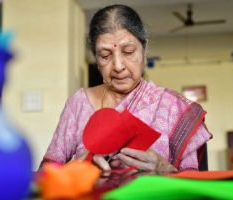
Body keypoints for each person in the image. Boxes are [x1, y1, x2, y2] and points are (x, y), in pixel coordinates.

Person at [42, 4, 212, 174]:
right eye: (105, 56)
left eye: (128, 52)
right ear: (96, 59)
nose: (117, 66)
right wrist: (79, 166)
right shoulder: (79, 103)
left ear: (144, 51)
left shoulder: (173, 108)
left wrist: (165, 169)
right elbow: (46, 173)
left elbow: (196, 185)